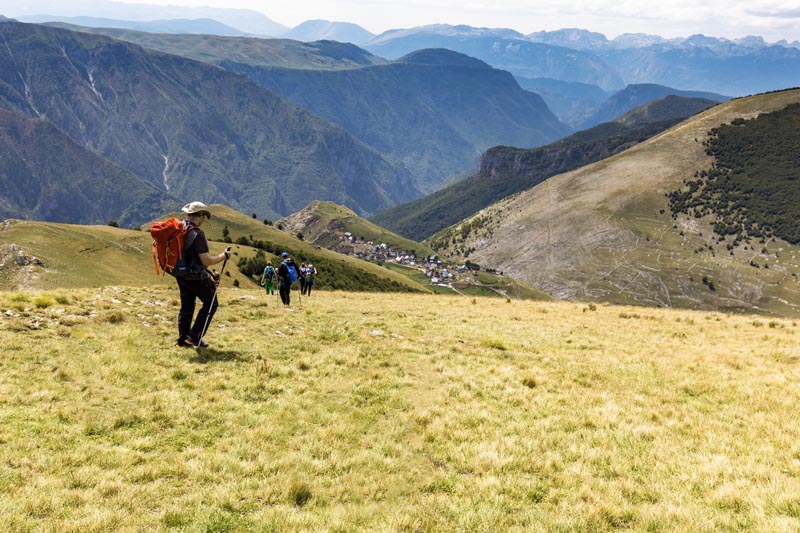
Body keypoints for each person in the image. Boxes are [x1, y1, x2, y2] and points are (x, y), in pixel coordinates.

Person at [174, 201, 231, 348]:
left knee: (187, 306)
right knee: (211, 303)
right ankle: (194, 337)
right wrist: (223, 256)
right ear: (199, 215)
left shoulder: (180, 229)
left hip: (181, 274)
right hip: (196, 277)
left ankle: (183, 340)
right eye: (204, 216)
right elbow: (206, 261)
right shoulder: (197, 234)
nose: (204, 220)